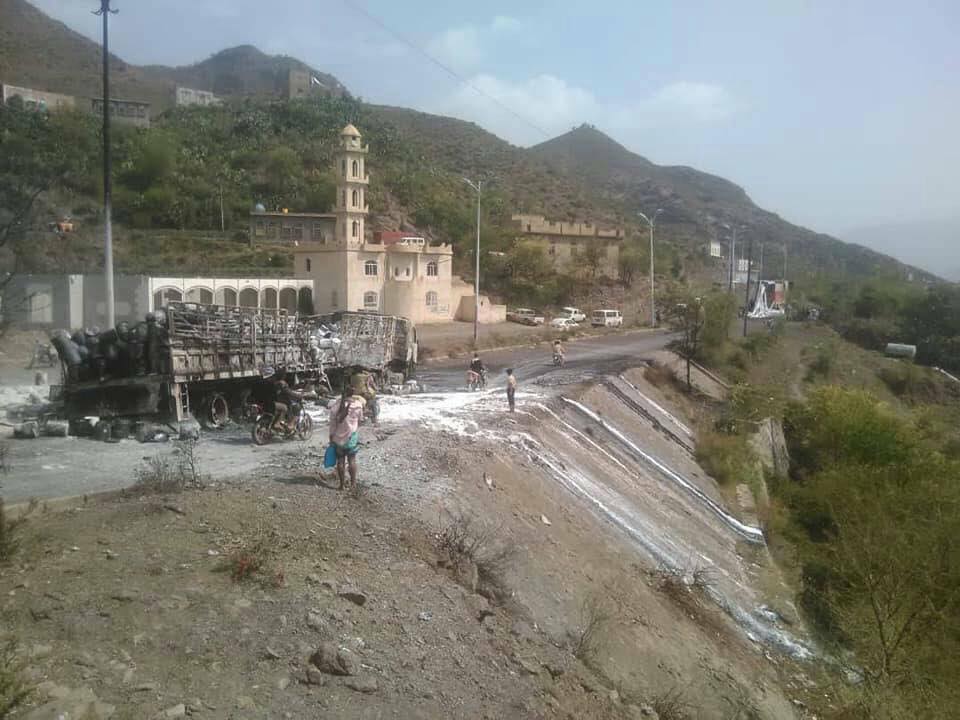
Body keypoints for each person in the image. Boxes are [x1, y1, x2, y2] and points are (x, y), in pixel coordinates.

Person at [328, 385, 367, 490]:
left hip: (338, 439)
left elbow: (332, 425)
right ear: (353, 394)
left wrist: (331, 438)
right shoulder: (358, 405)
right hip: (351, 438)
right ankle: (353, 484)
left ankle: (341, 485)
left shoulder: (335, 406)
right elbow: (360, 420)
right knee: (352, 460)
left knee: (340, 461)